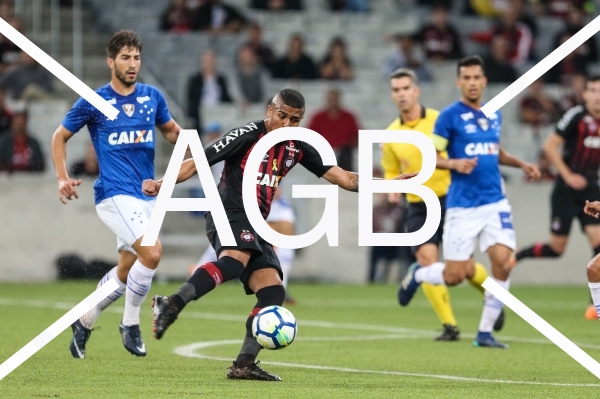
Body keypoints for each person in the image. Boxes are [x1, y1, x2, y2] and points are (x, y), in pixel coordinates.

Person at [143, 88, 414, 381]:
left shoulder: (297, 146)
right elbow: (197, 160)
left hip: (256, 222)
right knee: (234, 262)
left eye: (294, 119)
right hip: (228, 211)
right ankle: (171, 303)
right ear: (269, 111)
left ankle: (243, 364)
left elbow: (344, 178)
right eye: (281, 115)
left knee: (273, 291)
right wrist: (161, 184)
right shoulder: (247, 135)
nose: (286, 124)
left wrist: (387, 184)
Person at [50, 30, 181, 359]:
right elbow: (59, 136)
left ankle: (83, 321)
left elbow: (171, 132)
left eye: (136, 57)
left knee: (127, 269)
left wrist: (200, 147)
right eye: (125, 57)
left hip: (146, 195)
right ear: (111, 61)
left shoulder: (152, 97)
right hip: (114, 193)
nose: (132, 63)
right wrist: (62, 177)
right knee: (151, 254)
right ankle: (130, 323)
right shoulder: (95, 101)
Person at [398, 55, 540, 348]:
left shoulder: (493, 114)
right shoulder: (449, 116)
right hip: (463, 206)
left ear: (484, 81)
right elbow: (431, 156)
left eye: (477, 77)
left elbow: (495, 151)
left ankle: (484, 333)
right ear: (459, 82)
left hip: (495, 202)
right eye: (467, 78)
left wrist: (521, 163)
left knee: (503, 263)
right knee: (455, 276)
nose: (472, 83)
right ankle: (420, 273)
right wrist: (455, 164)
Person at [381, 68, 502, 341]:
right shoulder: (390, 134)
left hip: (452, 200)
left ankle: (493, 299)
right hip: (418, 205)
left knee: (465, 269)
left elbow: (460, 154)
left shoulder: (441, 120)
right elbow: (390, 170)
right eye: (396, 90)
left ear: (416, 91)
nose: (401, 94)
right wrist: (390, 189)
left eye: (405, 88)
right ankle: (450, 326)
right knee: (426, 260)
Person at [512, 75, 600, 318]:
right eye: (593, 89)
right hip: (565, 189)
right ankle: (518, 255)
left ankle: (595, 304)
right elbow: (550, 146)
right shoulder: (576, 116)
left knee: (598, 241)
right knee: (557, 248)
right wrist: (568, 174)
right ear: (585, 94)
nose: (597, 95)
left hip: (591, 189)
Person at [307, 88, 360, 171]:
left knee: (346, 155)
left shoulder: (348, 117)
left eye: (335, 99)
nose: (333, 101)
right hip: (323, 151)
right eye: (330, 99)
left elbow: (356, 136)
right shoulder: (318, 117)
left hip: (343, 152)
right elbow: (309, 136)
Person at [186, 50, 233, 133]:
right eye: (206, 61)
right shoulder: (195, 81)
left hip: (219, 113)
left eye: (211, 61)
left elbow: (227, 98)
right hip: (201, 114)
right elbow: (191, 101)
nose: (209, 64)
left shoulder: (221, 80)